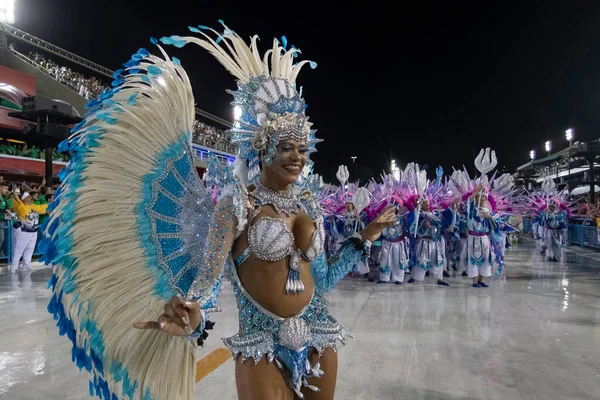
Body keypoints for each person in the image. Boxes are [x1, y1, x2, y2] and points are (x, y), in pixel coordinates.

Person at [43, 22, 397, 400]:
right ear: (263, 149)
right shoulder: (238, 204)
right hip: (260, 343)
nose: (297, 158)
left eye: (303, 149)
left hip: (319, 335)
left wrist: (365, 237)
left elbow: (321, 280)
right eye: (286, 147)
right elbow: (210, 279)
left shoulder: (309, 203)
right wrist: (194, 312)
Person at [9, 190, 48, 273]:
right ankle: (14, 267)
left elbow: (45, 207)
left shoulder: (34, 206)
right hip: (24, 230)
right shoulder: (21, 206)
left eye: (30, 197)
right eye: (28, 197)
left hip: (34, 231)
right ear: (24, 199)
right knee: (19, 249)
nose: (30, 198)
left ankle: (26, 265)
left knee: (30, 249)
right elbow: (16, 199)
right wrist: (15, 192)